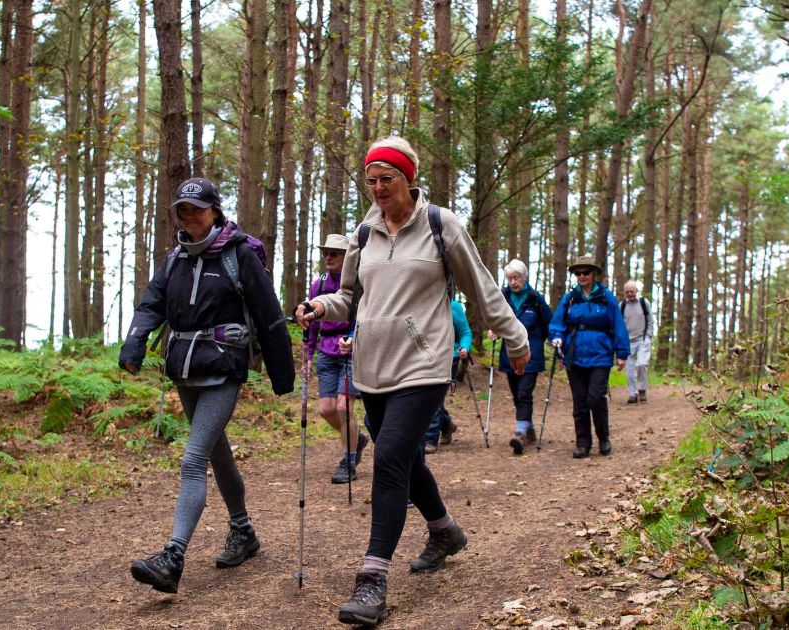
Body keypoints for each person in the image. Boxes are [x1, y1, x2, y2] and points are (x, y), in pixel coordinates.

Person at [295, 136, 529, 627]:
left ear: (409, 180)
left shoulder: (442, 226)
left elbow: (482, 289)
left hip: (423, 365)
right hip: (372, 366)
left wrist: (516, 340)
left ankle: (372, 578)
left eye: (388, 179)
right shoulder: (363, 233)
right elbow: (350, 296)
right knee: (404, 457)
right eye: (372, 180)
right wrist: (321, 307)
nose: (379, 188)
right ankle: (444, 530)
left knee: (388, 458)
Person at [119, 177, 295, 594]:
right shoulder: (174, 259)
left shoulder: (240, 255)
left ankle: (173, 555)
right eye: (183, 209)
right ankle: (243, 531)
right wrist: (135, 341)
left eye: (198, 208)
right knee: (217, 453)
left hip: (223, 367)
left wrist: (281, 374)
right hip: (183, 367)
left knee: (193, 458)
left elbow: (268, 313)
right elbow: (151, 304)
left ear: (215, 210)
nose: (190, 215)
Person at [549, 256, 629, 459]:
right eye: (578, 273)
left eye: (586, 272)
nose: (582, 276)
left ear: (594, 274)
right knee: (580, 401)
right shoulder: (570, 298)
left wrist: (621, 353)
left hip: (600, 354)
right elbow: (557, 323)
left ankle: (603, 437)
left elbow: (618, 325)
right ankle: (583, 443)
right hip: (574, 355)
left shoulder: (606, 297)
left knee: (595, 397)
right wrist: (557, 338)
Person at [307, 233, 371, 483]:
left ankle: (348, 460)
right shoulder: (318, 284)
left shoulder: (358, 284)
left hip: (351, 350)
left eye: (335, 253)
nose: (328, 257)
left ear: (348, 258)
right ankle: (357, 438)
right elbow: (312, 323)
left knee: (345, 408)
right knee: (326, 410)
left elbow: (363, 316)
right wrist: (309, 352)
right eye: (326, 252)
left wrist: (354, 337)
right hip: (327, 350)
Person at [488, 259, 553, 455]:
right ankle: (529, 427)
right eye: (510, 279)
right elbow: (496, 319)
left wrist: (547, 343)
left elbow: (548, 323)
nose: (513, 282)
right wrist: (494, 330)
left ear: (524, 278)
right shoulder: (503, 297)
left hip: (531, 353)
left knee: (525, 392)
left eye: (516, 278)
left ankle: (520, 433)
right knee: (517, 394)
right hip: (509, 353)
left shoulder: (535, 298)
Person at [423, 299, 470, 453]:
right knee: (430, 397)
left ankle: (430, 439)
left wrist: (464, 347)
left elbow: (465, 332)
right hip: (424, 357)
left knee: (433, 395)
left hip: (450, 357)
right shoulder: (420, 303)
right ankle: (447, 424)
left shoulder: (453, 306)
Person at [621, 280, 655, 404]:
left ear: (636, 291)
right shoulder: (622, 305)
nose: (630, 294)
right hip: (628, 342)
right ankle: (632, 394)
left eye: (632, 291)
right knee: (629, 369)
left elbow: (650, 320)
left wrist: (648, 336)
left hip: (642, 339)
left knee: (641, 364)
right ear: (625, 292)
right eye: (627, 292)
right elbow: (620, 324)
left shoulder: (643, 303)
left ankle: (642, 389)